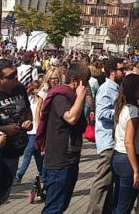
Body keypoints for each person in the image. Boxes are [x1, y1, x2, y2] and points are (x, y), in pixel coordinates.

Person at [36, 62, 89, 214]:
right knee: (54, 208)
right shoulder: (61, 96)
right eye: (84, 82)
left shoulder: (72, 97)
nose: (86, 86)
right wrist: (80, 97)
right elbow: (71, 118)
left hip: (70, 159)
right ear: (75, 81)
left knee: (61, 205)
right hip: (59, 162)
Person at [0, 59, 33, 203]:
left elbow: (27, 109)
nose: (16, 78)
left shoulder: (19, 88)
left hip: (15, 150)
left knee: (4, 193)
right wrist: (3, 129)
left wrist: (28, 120)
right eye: (11, 76)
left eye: (16, 73)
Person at [87, 59, 124, 214]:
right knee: (102, 181)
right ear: (112, 72)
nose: (123, 72)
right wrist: (122, 113)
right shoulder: (106, 89)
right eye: (121, 69)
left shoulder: (116, 88)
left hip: (114, 140)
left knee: (109, 182)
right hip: (107, 140)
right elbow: (102, 113)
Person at [110, 73, 139, 214]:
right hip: (130, 159)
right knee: (124, 206)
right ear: (134, 90)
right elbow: (128, 141)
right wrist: (136, 170)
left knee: (117, 203)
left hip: (118, 156)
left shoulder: (123, 107)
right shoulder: (133, 111)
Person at [14, 79, 45, 194]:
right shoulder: (30, 99)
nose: (35, 91)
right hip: (29, 130)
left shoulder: (42, 100)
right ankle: (42, 173)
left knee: (28, 152)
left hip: (37, 130)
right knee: (36, 154)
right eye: (34, 89)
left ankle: (19, 175)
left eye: (37, 89)